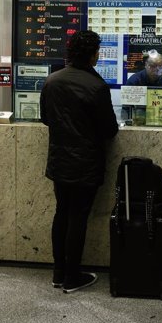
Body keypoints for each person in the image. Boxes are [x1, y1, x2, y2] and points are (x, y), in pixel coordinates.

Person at [40, 30, 119, 294]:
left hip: (60, 160)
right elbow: (109, 130)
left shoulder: (52, 81)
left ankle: (58, 272)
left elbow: (46, 118)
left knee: (61, 212)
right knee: (78, 217)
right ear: (92, 55)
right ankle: (73, 277)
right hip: (86, 163)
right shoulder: (96, 86)